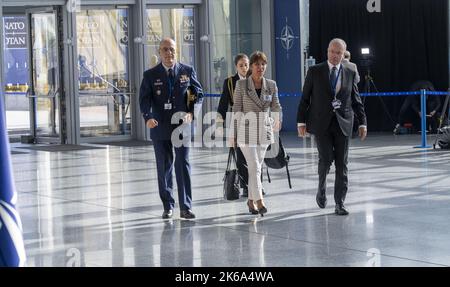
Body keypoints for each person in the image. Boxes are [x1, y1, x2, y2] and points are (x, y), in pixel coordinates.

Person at [297, 38, 367, 216]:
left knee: (342, 164)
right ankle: (321, 187)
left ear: (344, 54)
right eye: (332, 52)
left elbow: (356, 99)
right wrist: (301, 122)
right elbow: (305, 98)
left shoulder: (350, 71)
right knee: (326, 159)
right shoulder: (315, 71)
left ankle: (339, 203)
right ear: (327, 51)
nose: (335, 56)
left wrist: (363, 122)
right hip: (321, 123)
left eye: (339, 53)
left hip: (343, 122)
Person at [139, 38, 203, 219]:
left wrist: (191, 112)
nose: (169, 53)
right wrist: (148, 117)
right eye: (165, 50)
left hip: (181, 127)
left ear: (177, 51)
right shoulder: (150, 75)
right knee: (164, 166)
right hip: (160, 127)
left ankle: (186, 206)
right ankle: (168, 205)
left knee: (183, 164)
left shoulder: (187, 71)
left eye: (172, 50)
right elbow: (144, 100)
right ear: (159, 52)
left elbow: (197, 94)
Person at [230, 51, 282, 215]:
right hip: (246, 131)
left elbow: (276, 105)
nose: (260, 67)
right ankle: (259, 201)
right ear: (251, 67)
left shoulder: (271, 85)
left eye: (263, 64)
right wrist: (233, 134)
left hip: (264, 132)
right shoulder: (242, 85)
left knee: (256, 167)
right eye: (257, 64)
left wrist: (276, 119)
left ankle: (250, 201)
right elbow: (236, 108)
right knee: (254, 166)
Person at [217, 54, 250, 197]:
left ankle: (257, 186)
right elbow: (223, 104)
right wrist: (219, 124)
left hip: (255, 122)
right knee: (241, 156)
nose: (244, 68)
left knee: (255, 158)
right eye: (241, 65)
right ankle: (246, 186)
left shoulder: (254, 80)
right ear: (236, 66)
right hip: (237, 122)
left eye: (246, 64)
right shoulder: (230, 82)